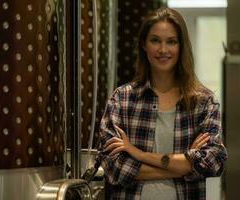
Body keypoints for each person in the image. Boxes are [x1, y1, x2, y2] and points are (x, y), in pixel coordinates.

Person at [97, 7, 227, 200]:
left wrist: (138, 154)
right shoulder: (122, 99)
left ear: (181, 46)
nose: (163, 50)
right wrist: (187, 163)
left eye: (171, 42)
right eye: (155, 40)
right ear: (144, 44)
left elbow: (213, 163)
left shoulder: (204, 102)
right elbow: (114, 168)